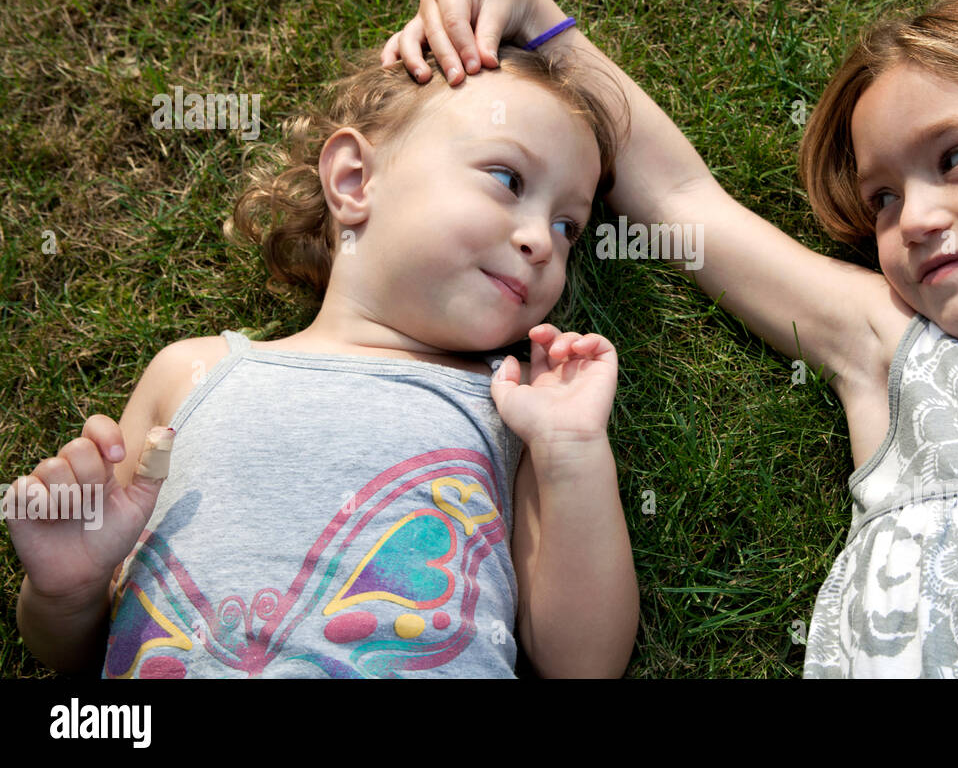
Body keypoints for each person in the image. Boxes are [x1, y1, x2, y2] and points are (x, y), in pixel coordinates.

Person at [387, 0, 958, 677]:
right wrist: (542, 23)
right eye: (885, 199)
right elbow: (682, 200)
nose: (916, 219)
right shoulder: (902, 353)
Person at [5, 45, 639, 678]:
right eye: (508, 181)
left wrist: (572, 448)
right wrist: (67, 591)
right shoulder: (190, 373)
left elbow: (583, 664)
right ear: (354, 181)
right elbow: (81, 655)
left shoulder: (518, 409)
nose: (539, 242)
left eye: (567, 228)